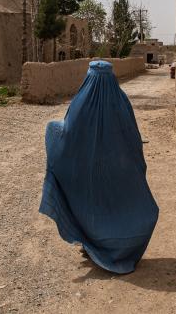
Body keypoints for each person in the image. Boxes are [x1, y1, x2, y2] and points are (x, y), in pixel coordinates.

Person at [39, 60, 159, 274]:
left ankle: (92, 242)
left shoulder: (81, 101)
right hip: (118, 168)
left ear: (88, 77)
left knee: (89, 202)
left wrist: (52, 130)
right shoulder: (121, 101)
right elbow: (133, 139)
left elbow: (68, 133)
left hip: (88, 170)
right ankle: (117, 247)